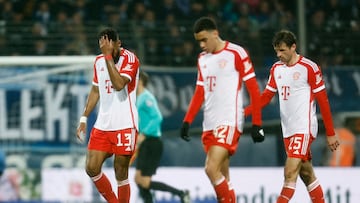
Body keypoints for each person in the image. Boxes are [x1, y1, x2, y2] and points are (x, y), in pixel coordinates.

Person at [245, 30, 340, 203]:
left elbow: (323, 101)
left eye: (282, 50)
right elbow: (266, 97)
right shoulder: (276, 69)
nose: (279, 55)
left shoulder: (309, 68)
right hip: (288, 130)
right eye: (276, 51)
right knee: (306, 173)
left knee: (289, 173)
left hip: (304, 127)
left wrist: (331, 132)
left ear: (293, 47)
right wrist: (243, 112)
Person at [180, 16, 265, 203]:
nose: (201, 45)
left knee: (210, 169)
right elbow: (200, 91)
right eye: (198, 41)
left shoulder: (236, 53)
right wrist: (187, 120)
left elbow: (253, 88)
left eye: (204, 39)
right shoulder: (202, 59)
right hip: (209, 123)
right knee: (223, 177)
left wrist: (257, 123)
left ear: (215, 33)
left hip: (229, 120)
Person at [76, 27, 140, 203]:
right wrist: (84, 118)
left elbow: (119, 84)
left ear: (118, 43)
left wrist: (108, 57)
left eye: (110, 48)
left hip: (125, 123)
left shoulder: (131, 59)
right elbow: (96, 90)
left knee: (121, 171)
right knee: (91, 168)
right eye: (103, 49)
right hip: (103, 124)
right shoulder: (98, 62)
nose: (106, 52)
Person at [133, 71, 190, 203]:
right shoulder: (138, 98)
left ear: (140, 81)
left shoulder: (147, 98)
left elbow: (157, 117)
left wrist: (144, 133)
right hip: (145, 143)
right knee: (138, 179)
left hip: (152, 142)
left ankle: (181, 193)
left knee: (145, 182)